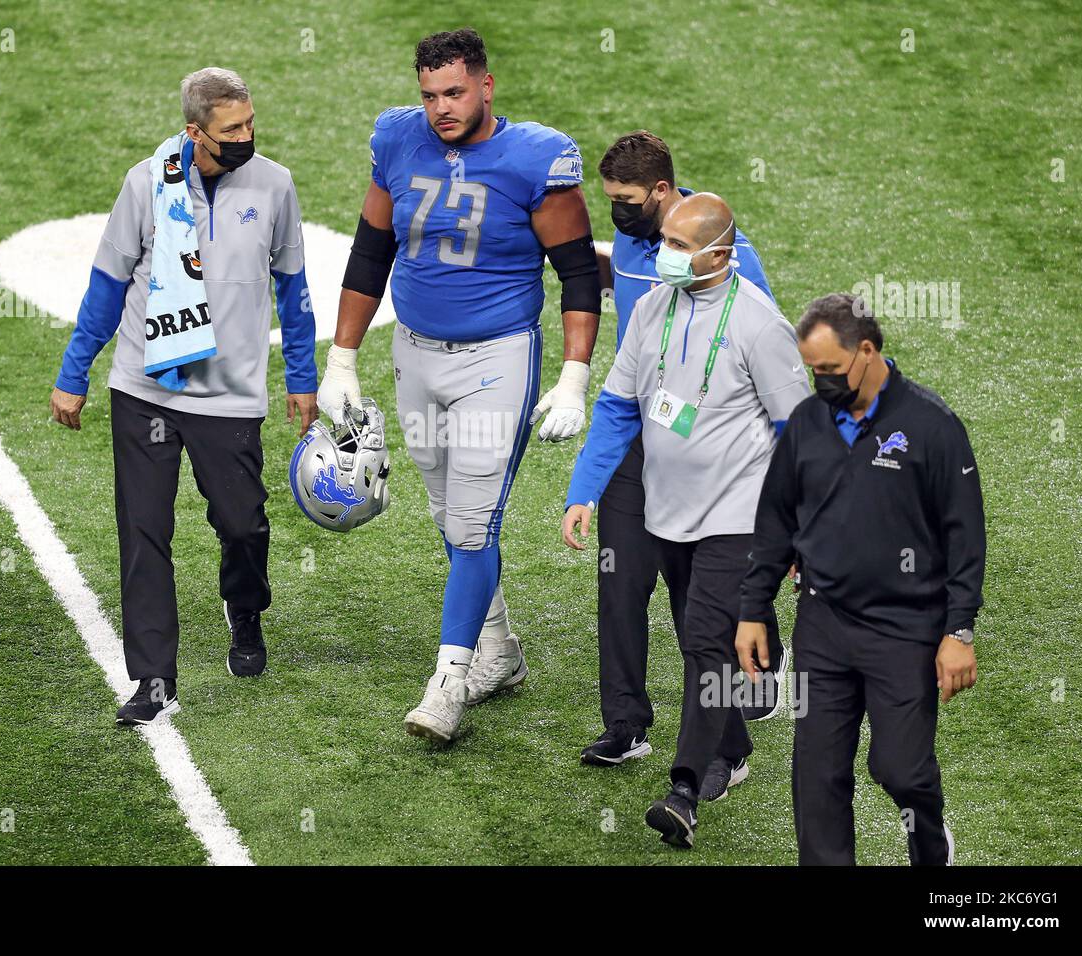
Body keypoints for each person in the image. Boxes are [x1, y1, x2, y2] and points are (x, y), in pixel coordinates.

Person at [315, 28, 601, 743]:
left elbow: (575, 271)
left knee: (473, 522)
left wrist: (574, 375)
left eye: (455, 92)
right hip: (414, 351)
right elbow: (370, 250)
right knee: (450, 517)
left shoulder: (535, 156)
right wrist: (341, 360)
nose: (441, 107)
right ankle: (500, 652)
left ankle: (449, 681)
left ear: (485, 86)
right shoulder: (397, 139)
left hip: (495, 359)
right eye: (429, 94)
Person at [49, 67, 317, 725]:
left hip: (228, 396)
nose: (248, 136)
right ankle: (152, 680)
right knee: (143, 532)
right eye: (233, 130)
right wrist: (73, 373)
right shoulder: (146, 184)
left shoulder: (275, 186)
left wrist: (303, 377)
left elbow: (294, 289)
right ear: (195, 132)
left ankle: (244, 606)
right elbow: (107, 285)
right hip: (145, 387)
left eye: (251, 123)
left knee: (243, 523)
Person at [563, 192, 810, 847]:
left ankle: (684, 789)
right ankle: (733, 747)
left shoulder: (760, 326)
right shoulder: (650, 310)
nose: (661, 254)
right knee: (698, 641)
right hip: (665, 508)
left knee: (704, 641)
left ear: (721, 255)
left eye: (678, 245)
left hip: (737, 513)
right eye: (664, 241)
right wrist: (583, 491)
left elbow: (799, 434)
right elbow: (618, 407)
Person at [737, 293, 984, 865]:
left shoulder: (932, 425)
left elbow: (965, 535)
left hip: (905, 628)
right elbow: (775, 519)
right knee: (817, 777)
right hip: (823, 624)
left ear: (867, 351)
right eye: (811, 370)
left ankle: (928, 838)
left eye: (829, 369)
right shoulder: (807, 422)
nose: (819, 381)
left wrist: (960, 631)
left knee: (899, 768)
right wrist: (753, 608)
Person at [582, 130, 787, 771]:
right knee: (619, 582)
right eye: (609, 197)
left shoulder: (729, 259)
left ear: (664, 194)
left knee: (698, 593)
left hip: (715, 449)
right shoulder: (637, 250)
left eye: (629, 199)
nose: (617, 209)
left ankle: (753, 672)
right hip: (643, 434)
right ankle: (625, 723)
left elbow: (764, 361)